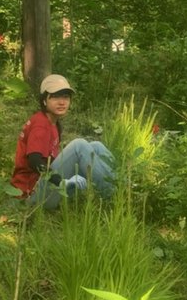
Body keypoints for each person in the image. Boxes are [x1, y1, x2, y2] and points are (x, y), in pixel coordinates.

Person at [10, 74, 115, 210]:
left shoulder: (52, 122)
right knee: (79, 146)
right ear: (44, 101)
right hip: (32, 195)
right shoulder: (40, 125)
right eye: (55, 96)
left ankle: (120, 183)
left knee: (97, 146)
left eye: (65, 97)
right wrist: (61, 182)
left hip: (44, 186)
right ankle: (114, 195)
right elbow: (34, 160)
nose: (62, 102)